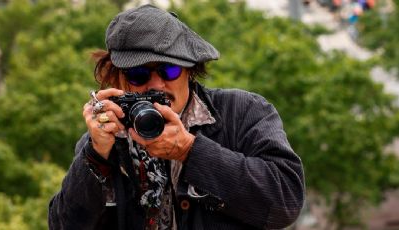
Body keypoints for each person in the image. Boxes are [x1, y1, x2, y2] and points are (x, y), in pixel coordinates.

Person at [48, 4, 305, 230]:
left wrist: (190, 151)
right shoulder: (104, 139)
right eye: (138, 74)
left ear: (190, 70)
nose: (156, 84)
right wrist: (95, 157)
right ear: (118, 79)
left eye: (169, 70)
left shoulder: (244, 113)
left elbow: (286, 202)